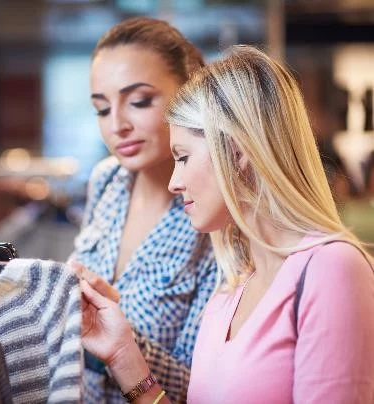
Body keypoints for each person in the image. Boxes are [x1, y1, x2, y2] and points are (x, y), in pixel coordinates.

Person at [79, 45, 374, 403]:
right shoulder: (230, 290)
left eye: (184, 158)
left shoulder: (331, 268)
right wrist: (121, 353)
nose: (175, 181)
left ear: (239, 152)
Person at [67, 17, 218, 402]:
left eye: (139, 101)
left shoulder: (216, 212)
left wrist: (119, 341)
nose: (117, 124)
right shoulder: (106, 181)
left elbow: (202, 385)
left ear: (189, 94)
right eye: (102, 109)